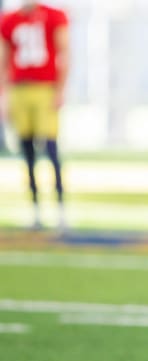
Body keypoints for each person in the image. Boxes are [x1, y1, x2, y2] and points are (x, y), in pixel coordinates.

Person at [0, 0, 69, 230]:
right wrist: (4, 94)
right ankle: (35, 211)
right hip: (20, 88)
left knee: (50, 149)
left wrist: (60, 89)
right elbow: (4, 59)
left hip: (44, 88)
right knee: (27, 151)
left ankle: (60, 210)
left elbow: (64, 52)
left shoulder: (53, 16)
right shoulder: (9, 20)